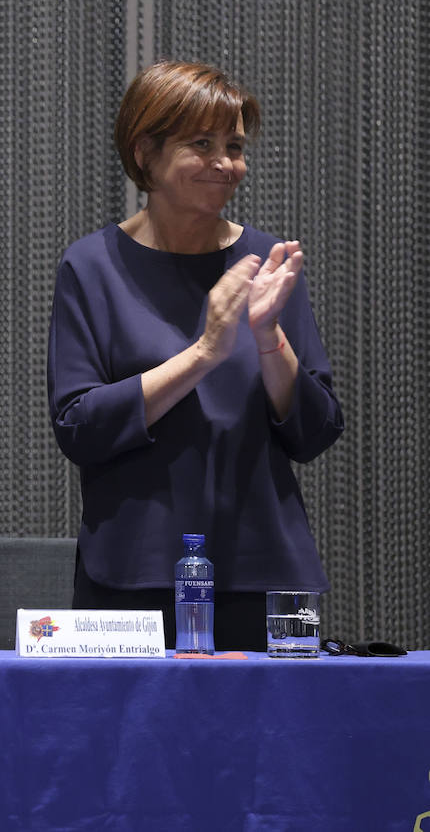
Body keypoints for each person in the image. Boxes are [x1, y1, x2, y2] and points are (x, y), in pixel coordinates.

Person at [48, 61, 344, 651]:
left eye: (234, 146)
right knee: (130, 745)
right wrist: (205, 352)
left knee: (279, 743)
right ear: (145, 152)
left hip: (268, 575)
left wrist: (268, 338)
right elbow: (79, 427)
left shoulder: (268, 264)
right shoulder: (91, 266)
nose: (226, 163)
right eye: (201, 144)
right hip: (132, 574)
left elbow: (315, 432)